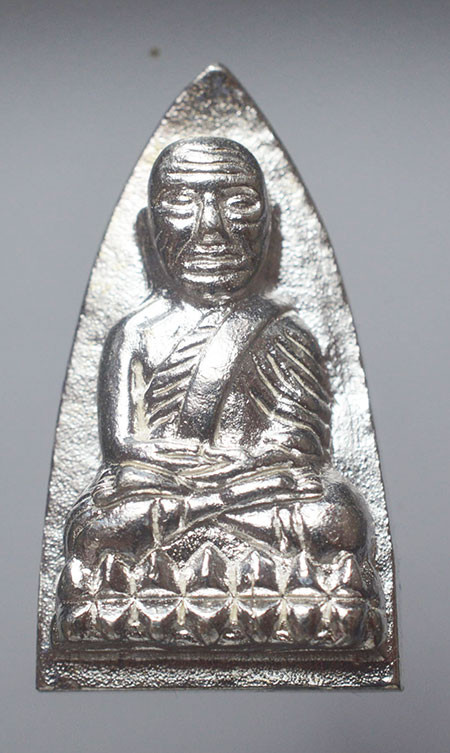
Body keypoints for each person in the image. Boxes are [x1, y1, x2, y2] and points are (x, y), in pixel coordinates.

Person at [56, 138, 382, 648]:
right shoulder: (134, 334)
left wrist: (234, 474)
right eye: (182, 202)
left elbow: (301, 451)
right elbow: (121, 448)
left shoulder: (283, 332)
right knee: (94, 527)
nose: (211, 226)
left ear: (269, 222)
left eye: (238, 203)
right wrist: (180, 468)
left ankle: (159, 591)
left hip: (250, 492)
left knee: (338, 517)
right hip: (165, 491)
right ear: (149, 226)